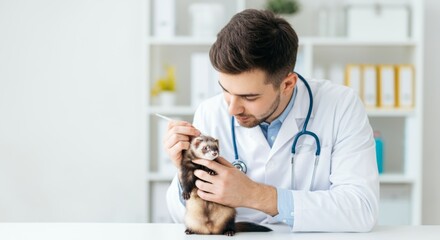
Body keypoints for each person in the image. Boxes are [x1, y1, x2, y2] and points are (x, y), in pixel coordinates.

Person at [164, 9, 379, 232]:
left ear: (287, 84)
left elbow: (361, 209)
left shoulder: (341, 105)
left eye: (249, 97)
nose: (231, 108)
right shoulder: (210, 112)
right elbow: (184, 218)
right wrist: (184, 172)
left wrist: (255, 195)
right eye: (225, 90)